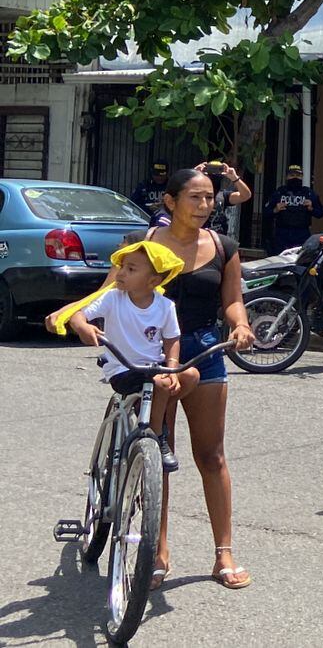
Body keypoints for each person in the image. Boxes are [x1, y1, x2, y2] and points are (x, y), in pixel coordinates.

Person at [100, 168, 256, 589]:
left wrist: (240, 326)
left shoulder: (223, 247)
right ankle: (157, 550)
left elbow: (233, 301)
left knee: (212, 455)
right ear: (170, 201)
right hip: (153, 355)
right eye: (195, 197)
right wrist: (78, 317)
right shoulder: (147, 244)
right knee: (156, 457)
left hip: (204, 352)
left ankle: (223, 553)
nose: (205, 206)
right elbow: (111, 288)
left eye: (210, 198)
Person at [61, 241, 187, 473]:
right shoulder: (113, 298)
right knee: (159, 382)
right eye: (122, 267)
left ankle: (153, 423)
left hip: (155, 368)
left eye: (131, 269)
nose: (120, 273)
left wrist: (173, 368)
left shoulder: (165, 306)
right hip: (122, 369)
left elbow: (172, 340)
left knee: (191, 375)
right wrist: (83, 327)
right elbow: (79, 314)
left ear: (153, 281)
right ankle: (157, 435)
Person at [264, 164, 323, 252]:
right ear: (287, 177)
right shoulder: (279, 192)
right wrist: (275, 210)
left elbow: (320, 213)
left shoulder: (309, 193)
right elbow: (266, 213)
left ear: (302, 177)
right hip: (282, 234)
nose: (295, 178)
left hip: (302, 234)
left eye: (298, 175)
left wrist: (311, 209)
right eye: (292, 175)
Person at [199, 161, 252, 238]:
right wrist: (193, 174)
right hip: (197, 237)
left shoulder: (223, 196)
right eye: (210, 169)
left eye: (218, 169)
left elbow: (246, 195)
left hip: (217, 238)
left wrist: (234, 177)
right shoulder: (195, 194)